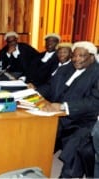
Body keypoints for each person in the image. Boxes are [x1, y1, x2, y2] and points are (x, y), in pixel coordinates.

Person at [35, 41, 99, 177]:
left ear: (92, 57)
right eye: (74, 56)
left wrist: (64, 106)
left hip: (84, 121)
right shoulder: (67, 68)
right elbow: (50, 86)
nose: (76, 59)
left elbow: (94, 102)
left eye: (81, 56)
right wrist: (35, 91)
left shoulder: (97, 73)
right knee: (37, 132)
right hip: (60, 116)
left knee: (75, 148)